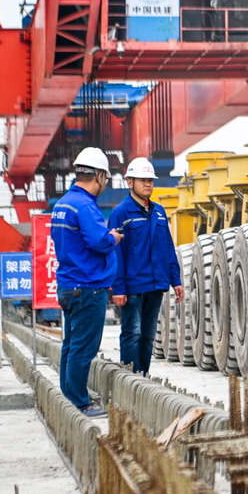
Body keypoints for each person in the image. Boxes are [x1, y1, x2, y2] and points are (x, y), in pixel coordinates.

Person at [51, 147, 122, 418]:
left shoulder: (63, 203)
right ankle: (81, 404)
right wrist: (113, 237)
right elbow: (98, 242)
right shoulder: (85, 206)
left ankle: (69, 399)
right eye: (105, 179)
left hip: (69, 285)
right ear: (100, 176)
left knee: (71, 345)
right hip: (87, 288)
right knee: (84, 348)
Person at [109, 157, 183, 375]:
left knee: (149, 335)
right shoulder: (120, 213)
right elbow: (116, 254)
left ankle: (143, 376)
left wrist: (175, 280)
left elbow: (167, 247)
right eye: (142, 180)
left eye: (150, 180)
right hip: (133, 286)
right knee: (132, 332)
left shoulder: (159, 211)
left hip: (156, 284)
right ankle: (130, 380)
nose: (148, 184)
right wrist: (119, 288)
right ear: (129, 182)